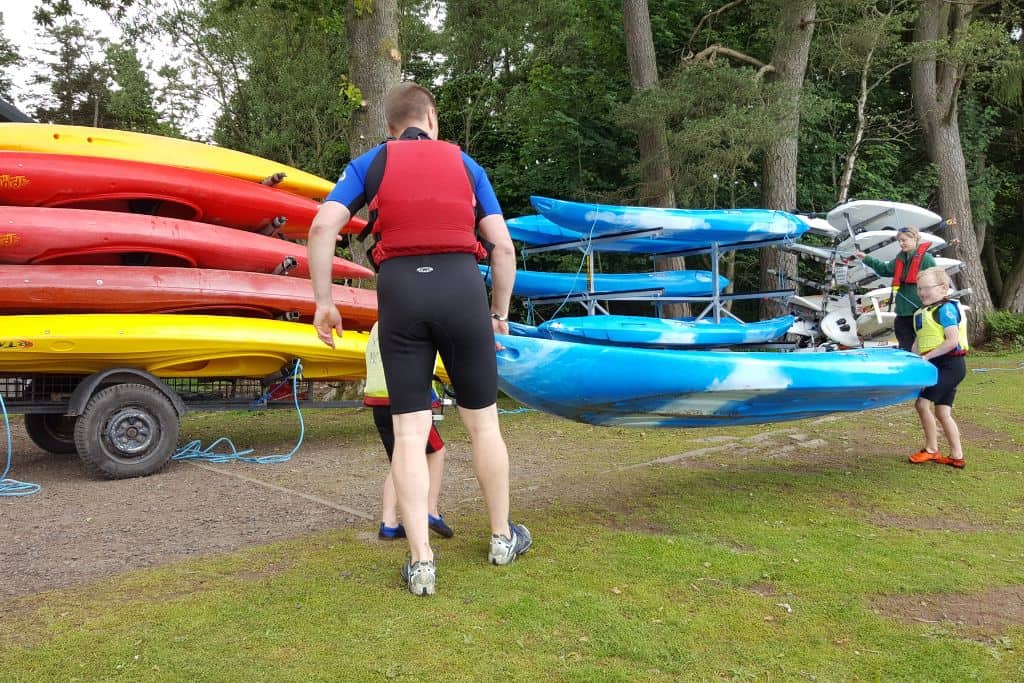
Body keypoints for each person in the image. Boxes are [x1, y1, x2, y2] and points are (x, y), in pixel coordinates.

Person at [308, 81, 530, 596]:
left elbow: (323, 229)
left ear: (390, 127)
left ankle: (421, 562)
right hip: (461, 291)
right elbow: (501, 247)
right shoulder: (466, 165)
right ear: (431, 118)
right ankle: (501, 538)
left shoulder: (372, 163)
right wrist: (497, 312)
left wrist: (324, 302)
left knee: (409, 436)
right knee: (485, 427)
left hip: (401, 293)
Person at [364, 322, 453, 540]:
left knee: (400, 461)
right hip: (406, 404)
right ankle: (430, 511)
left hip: (378, 402)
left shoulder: (377, 326)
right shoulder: (416, 317)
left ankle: (389, 523)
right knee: (437, 452)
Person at [908, 267, 968, 469]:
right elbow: (918, 342)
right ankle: (957, 456)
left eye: (926, 288)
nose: (922, 293)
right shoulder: (922, 312)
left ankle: (931, 450)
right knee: (942, 412)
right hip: (935, 365)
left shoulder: (947, 309)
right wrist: (913, 358)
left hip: (951, 365)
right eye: (919, 289)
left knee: (922, 404)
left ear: (943, 288)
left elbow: (951, 341)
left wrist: (927, 357)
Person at [853, 225, 937, 351]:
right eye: (899, 241)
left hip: (920, 310)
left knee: (922, 345)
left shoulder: (927, 259)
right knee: (905, 345)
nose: (901, 243)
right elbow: (884, 269)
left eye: (904, 240)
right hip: (902, 312)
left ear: (914, 238)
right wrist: (866, 258)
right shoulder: (900, 258)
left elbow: (935, 281)